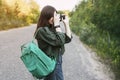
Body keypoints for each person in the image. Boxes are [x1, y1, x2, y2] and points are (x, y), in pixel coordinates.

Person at [35, 5, 72, 80]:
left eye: (56, 16)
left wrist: (66, 24)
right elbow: (60, 41)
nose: (55, 18)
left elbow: (68, 39)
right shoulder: (42, 31)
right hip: (51, 62)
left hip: (57, 60)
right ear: (46, 16)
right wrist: (57, 25)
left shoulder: (52, 28)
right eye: (53, 16)